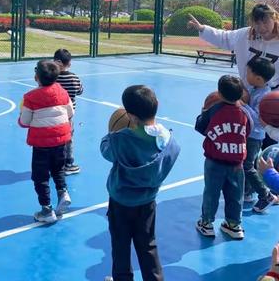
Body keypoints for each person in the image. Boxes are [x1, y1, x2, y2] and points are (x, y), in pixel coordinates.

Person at [100, 85, 180, 281]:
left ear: (129, 115)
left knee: (120, 245)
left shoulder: (119, 140)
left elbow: (105, 151)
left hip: (120, 201)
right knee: (148, 245)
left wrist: (110, 133)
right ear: (157, 105)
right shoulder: (170, 142)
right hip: (147, 202)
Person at [195, 75, 251, 239]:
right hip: (237, 162)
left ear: (219, 93)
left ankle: (206, 223)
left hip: (215, 160)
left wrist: (203, 112)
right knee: (235, 193)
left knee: (211, 192)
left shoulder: (214, 109)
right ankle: (234, 225)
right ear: (241, 95)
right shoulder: (244, 113)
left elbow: (200, 126)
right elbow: (247, 132)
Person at [18, 59, 74, 224]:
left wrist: (20, 118)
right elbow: (70, 112)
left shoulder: (30, 97)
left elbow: (25, 121)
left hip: (42, 144)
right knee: (58, 170)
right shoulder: (62, 92)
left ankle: (47, 210)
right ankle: (63, 192)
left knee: (40, 176)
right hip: (61, 140)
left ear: (37, 77)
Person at [188, 3, 279, 90]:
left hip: (273, 94)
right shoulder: (245, 35)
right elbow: (224, 37)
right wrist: (202, 28)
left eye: (265, 22)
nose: (261, 27)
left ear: (274, 19)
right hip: (247, 91)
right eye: (257, 23)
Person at [242, 57, 278, 212]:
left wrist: (243, 106)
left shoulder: (265, 96)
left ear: (257, 78)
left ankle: (266, 195)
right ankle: (247, 193)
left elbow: (258, 119)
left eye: (248, 72)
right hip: (248, 133)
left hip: (254, 136)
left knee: (247, 165)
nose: (246, 74)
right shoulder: (254, 88)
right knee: (246, 164)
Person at [53, 48, 84, 175]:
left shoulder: (52, 77)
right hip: (68, 115)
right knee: (68, 138)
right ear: (69, 63)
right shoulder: (74, 78)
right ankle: (68, 164)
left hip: (54, 113)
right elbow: (80, 91)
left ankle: (55, 162)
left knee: (55, 138)